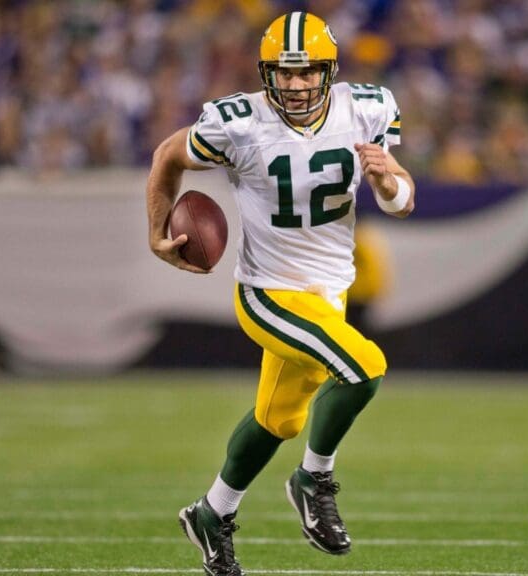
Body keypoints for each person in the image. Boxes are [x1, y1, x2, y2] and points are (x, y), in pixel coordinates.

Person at [144, 11, 414, 576]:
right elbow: (168, 155)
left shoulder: (366, 108)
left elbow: (400, 200)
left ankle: (212, 513)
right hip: (269, 293)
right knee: (365, 366)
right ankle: (314, 478)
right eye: (283, 74)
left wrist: (389, 181)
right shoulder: (239, 122)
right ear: (266, 73)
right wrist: (156, 231)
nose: (294, 85)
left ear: (329, 70)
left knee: (278, 420)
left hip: (328, 292)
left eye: (306, 72)